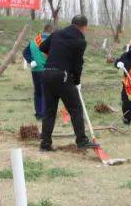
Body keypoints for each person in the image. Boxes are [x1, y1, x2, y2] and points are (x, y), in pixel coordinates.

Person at [38, 15, 95, 152]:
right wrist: (77, 81)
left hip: (47, 73)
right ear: (84, 27)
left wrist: (54, 54)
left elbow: (42, 47)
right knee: (75, 109)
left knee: (49, 111)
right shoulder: (80, 40)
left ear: (72, 23)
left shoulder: (56, 34)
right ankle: (81, 141)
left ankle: (45, 144)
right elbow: (78, 64)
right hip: (62, 76)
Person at [22, 24, 53, 120]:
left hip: (35, 70)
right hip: (47, 70)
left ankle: (39, 114)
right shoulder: (52, 40)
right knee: (46, 92)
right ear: (51, 31)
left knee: (38, 93)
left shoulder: (34, 41)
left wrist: (31, 61)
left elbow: (25, 52)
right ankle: (45, 114)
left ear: (43, 30)